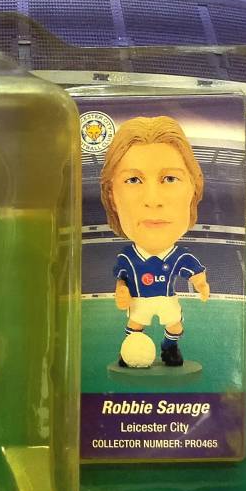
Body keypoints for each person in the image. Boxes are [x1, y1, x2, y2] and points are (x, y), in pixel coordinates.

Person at [101, 116, 211, 367]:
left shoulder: (179, 255)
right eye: (133, 180)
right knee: (135, 324)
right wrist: (122, 290)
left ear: (194, 188)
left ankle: (169, 347)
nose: (152, 200)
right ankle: (129, 351)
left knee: (175, 325)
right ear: (112, 195)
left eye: (170, 179)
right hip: (140, 300)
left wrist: (201, 284)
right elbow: (122, 279)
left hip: (166, 299)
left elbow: (195, 273)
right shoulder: (128, 257)